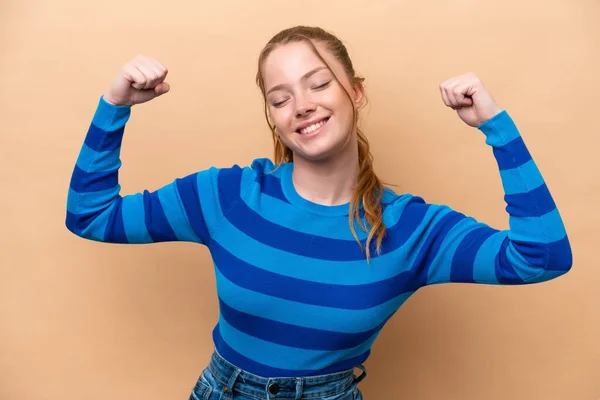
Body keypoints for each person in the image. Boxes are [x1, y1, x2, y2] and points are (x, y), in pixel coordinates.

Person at [65, 25, 572, 400]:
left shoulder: (413, 230)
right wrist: (116, 104)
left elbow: (542, 256)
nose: (301, 105)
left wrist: (496, 127)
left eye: (319, 84)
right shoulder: (228, 195)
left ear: (356, 91)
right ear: (273, 117)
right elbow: (91, 215)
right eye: (280, 98)